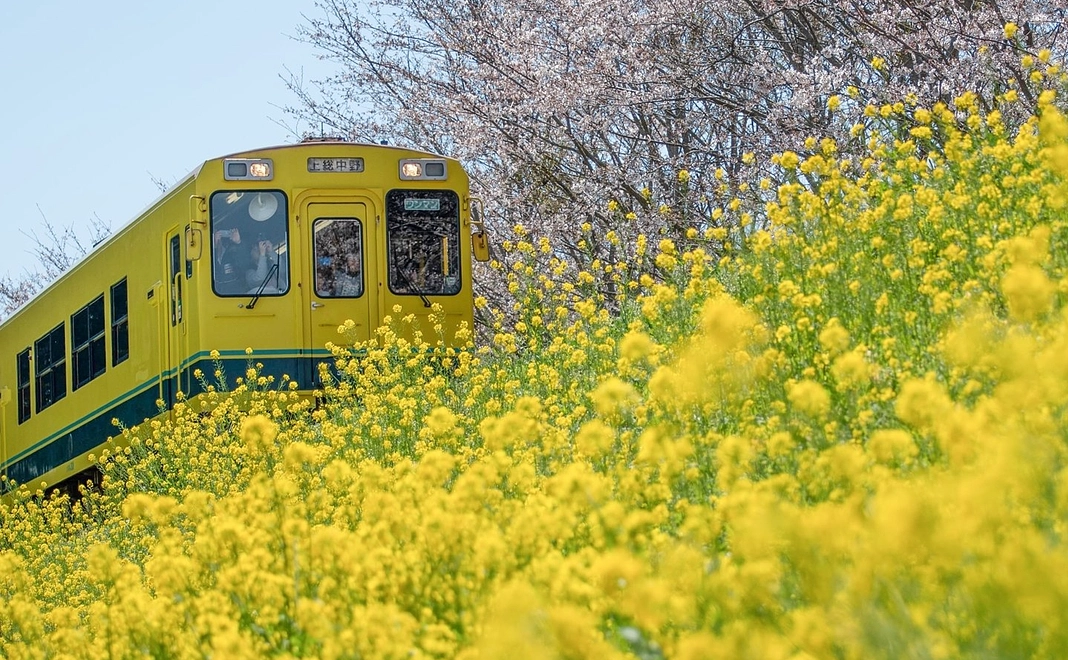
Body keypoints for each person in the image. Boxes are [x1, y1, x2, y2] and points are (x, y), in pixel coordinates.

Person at [214, 228, 253, 294]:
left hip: (235, 295)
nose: (215, 237)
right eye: (212, 235)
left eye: (217, 234)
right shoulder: (206, 254)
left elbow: (244, 264)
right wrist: (214, 246)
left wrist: (238, 242)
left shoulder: (232, 251)